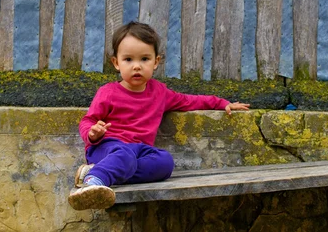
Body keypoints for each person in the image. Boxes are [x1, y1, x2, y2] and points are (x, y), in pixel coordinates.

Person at [68, 21, 250, 210]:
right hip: (108, 146)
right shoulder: (108, 92)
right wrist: (92, 133)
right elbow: (88, 120)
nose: (136, 66)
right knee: (125, 155)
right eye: (128, 59)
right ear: (116, 63)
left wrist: (222, 103)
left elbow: (190, 101)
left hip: (139, 150)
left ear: (156, 62)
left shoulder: (160, 92)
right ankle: (92, 183)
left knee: (164, 163)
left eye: (144, 59)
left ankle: (102, 171)